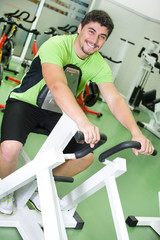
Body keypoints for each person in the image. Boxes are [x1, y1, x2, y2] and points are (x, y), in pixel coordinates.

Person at [0, 10, 154, 215]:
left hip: (58, 112)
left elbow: (115, 99)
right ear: (80, 28)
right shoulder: (57, 45)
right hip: (26, 103)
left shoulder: (98, 64)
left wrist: (136, 133)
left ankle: (36, 187)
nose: (95, 40)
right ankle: (6, 188)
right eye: (91, 31)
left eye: (102, 37)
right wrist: (82, 120)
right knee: (10, 149)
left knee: (85, 157)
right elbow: (56, 84)